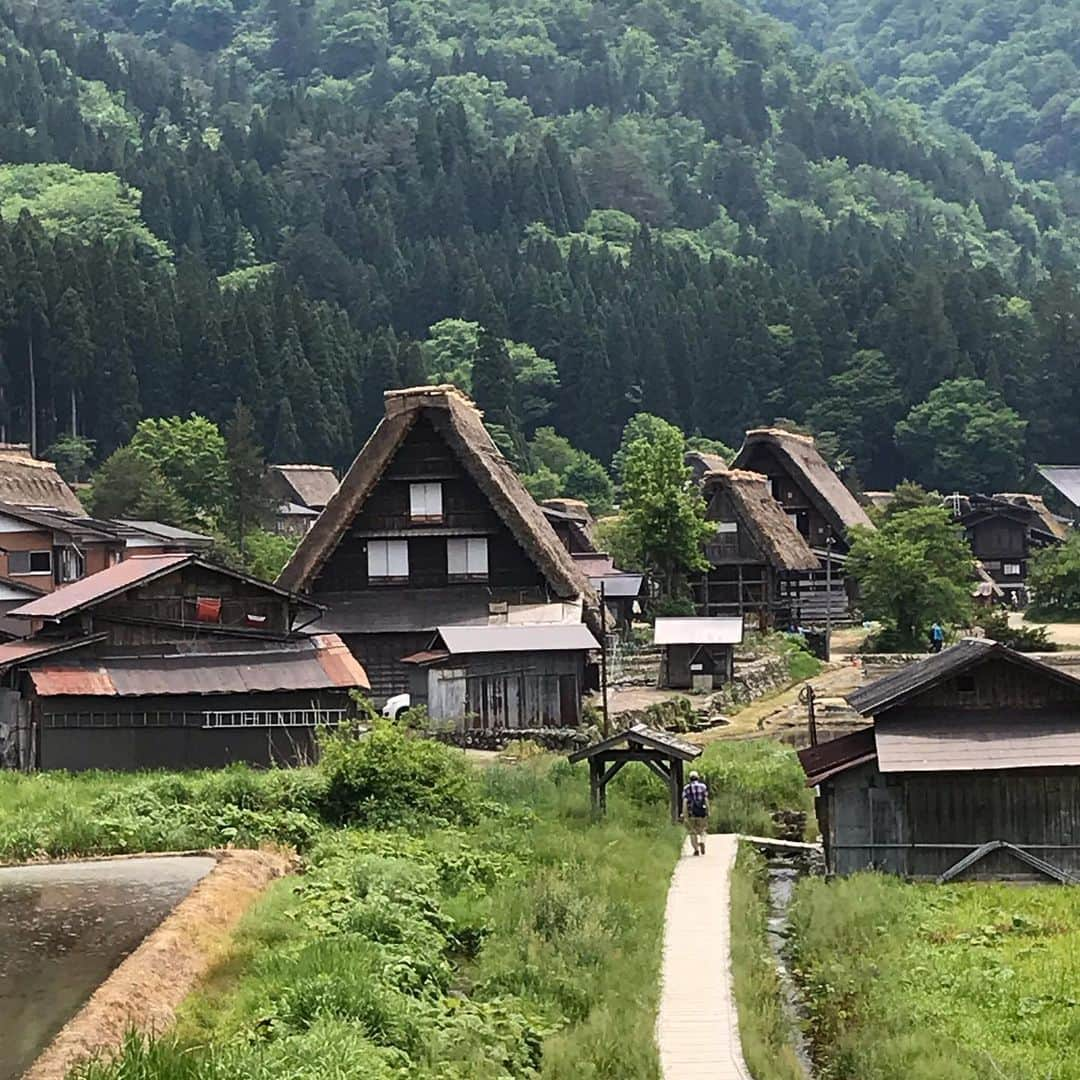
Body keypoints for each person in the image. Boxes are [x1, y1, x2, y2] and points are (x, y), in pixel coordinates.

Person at [681, 770, 710, 856]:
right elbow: (705, 800)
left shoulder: (686, 788)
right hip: (701, 812)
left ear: (689, 779)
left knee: (692, 832)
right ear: (698, 777)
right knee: (702, 830)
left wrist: (684, 815)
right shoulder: (703, 787)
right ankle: (702, 841)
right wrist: (708, 811)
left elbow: (685, 802)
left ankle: (696, 850)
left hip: (691, 813)